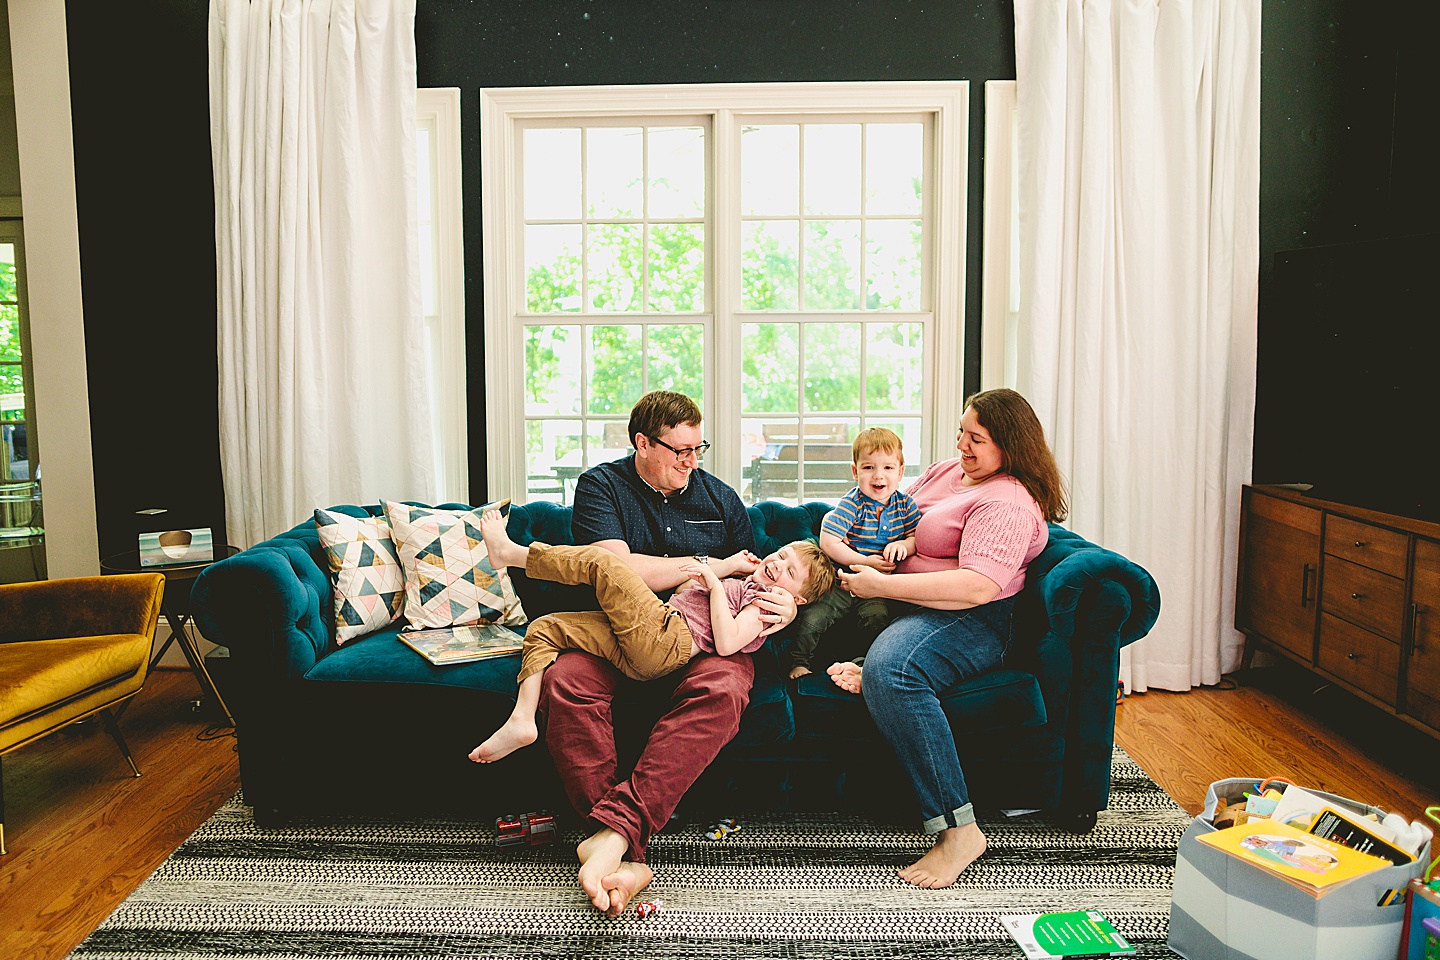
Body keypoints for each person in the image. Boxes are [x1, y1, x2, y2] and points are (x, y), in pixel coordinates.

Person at [534, 390, 799, 917]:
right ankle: (626, 849)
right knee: (564, 679)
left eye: (699, 448)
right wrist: (702, 563)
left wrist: (787, 609)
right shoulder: (602, 487)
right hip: (621, 630)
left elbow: (755, 573)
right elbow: (617, 570)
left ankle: (607, 840)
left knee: (725, 690)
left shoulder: (721, 499)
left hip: (707, 634)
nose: (692, 461)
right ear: (642, 443)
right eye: (680, 450)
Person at [826, 388, 1068, 889]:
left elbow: (978, 586)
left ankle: (960, 832)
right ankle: (864, 657)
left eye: (975, 438)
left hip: (973, 617)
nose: (961, 444)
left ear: (1009, 445)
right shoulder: (948, 472)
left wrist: (883, 585)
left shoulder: (1007, 501)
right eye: (962, 431)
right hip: (909, 603)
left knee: (893, 670)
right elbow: (900, 517)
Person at [469, 508, 831, 762]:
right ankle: (522, 719)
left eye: (790, 571)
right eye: (782, 554)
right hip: (650, 642)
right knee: (544, 627)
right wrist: (728, 569)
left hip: (667, 639)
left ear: (796, 596)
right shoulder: (744, 582)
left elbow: (727, 642)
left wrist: (716, 586)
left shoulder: (765, 604)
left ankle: (511, 553)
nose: (779, 563)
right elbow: (686, 590)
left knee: (603, 562)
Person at [785, 427, 921, 680]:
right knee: (813, 619)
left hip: (878, 587)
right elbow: (829, 542)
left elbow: (916, 537)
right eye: (869, 467)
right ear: (855, 471)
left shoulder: (905, 505)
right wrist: (864, 561)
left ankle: (865, 665)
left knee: (877, 619)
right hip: (843, 580)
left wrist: (904, 545)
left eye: (888, 468)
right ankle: (799, 661)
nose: (878, 476)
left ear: (901, 472)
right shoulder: (853, 503)